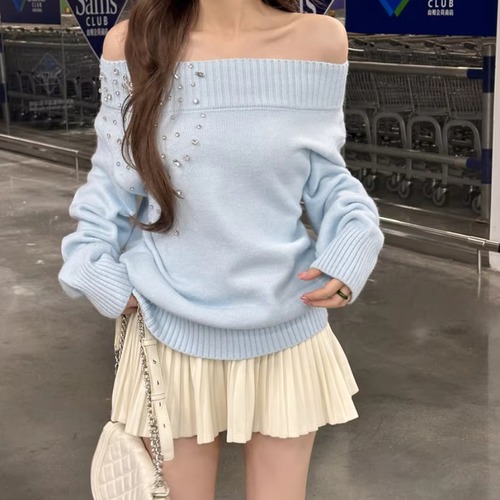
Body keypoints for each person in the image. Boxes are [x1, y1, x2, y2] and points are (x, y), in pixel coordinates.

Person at [59, 1, 384, 499]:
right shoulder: (133, 43)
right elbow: (112, 180)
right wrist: (92, 264)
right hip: (168, 329)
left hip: (285, 325)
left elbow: (326, 175)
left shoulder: (320, 41)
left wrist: (354, 240)